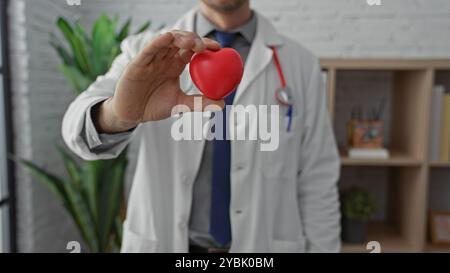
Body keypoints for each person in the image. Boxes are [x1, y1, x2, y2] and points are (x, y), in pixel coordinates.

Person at [62, 0, 341, 253]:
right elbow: (76, 127)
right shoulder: (145, 51)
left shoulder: (300, 64)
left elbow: (318, 176)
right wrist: (118, 115)